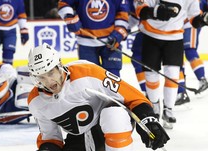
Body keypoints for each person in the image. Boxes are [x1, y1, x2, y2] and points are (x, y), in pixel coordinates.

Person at [28, 43, 170, 151]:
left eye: (51, 72)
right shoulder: (36, 102)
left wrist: (148, 120)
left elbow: (132, 96)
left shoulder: (88, 73)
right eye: (41, 77)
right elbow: (50, 136)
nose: (48, 81)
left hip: (111, 122)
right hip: (81, 138)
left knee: (113, 116)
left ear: (59, 65)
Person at [134, 0, 208, 129]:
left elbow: (194, 20)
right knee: (151, 75)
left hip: (175, 39)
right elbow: (141, 10)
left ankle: (168, 109)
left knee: (173, 75)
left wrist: (203, 19)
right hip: (150, 36)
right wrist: (155, 12)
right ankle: (154, 105)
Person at [57, 0, 130, 77]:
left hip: (111, 42)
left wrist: (118, 34)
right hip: (86, 43)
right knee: (90, 77)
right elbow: (64, 2)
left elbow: (122, 12)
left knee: (113, 77)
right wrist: (68, 16)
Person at [175, 0, 208, 105]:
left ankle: (202, 79)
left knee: (189, 50)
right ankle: (181, 90)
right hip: (175, 25)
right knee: (175, 57)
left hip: (191, 22)